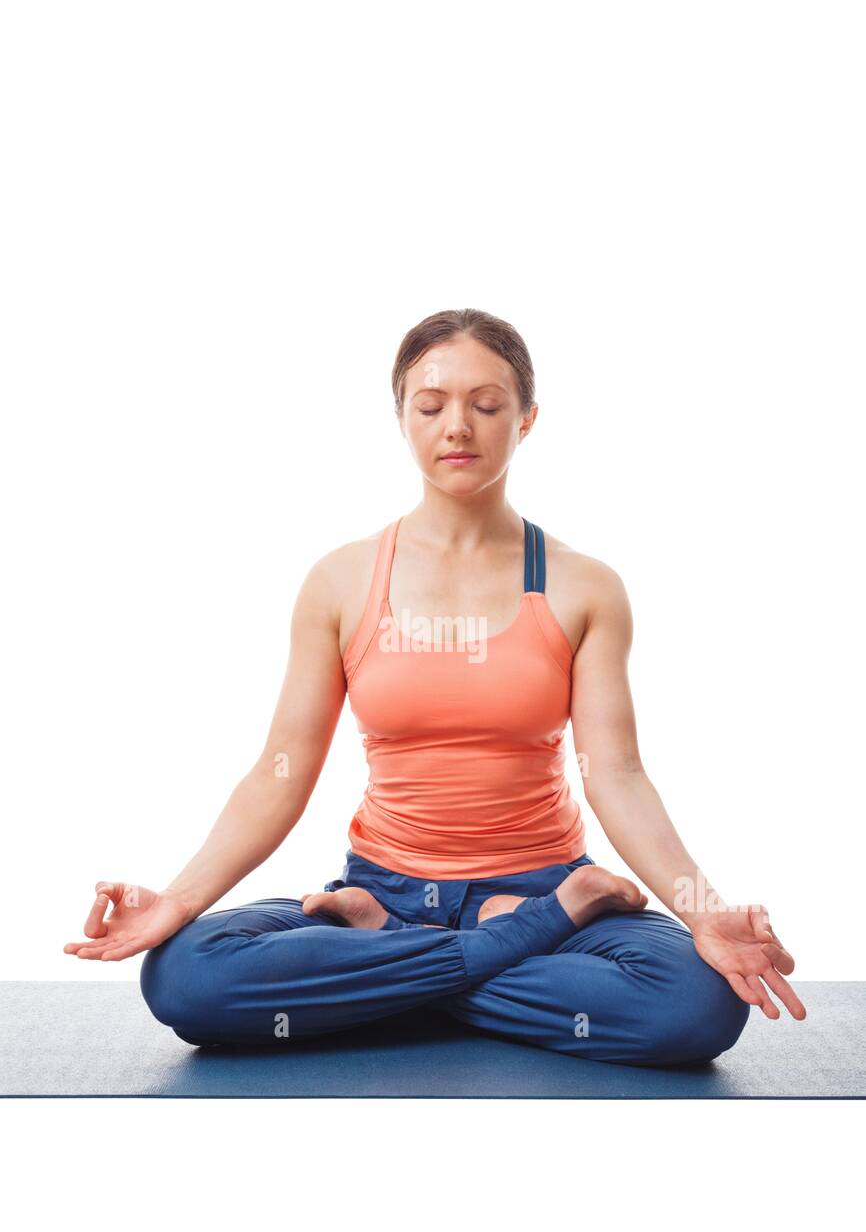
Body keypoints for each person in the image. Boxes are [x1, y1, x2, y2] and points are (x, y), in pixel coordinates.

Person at [64, 307, 806, 1064]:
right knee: (186, 978)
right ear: (402, 418)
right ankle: (479, 940)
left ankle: (388, 964)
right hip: (388, 888)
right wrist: (179, 901)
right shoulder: (340, 582)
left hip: (543, 881)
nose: (458, 426)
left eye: (486, 405)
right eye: (431, 405)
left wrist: (705, 912)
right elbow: (278, 771)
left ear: (527, 420)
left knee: (697, 1003)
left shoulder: (586, 589)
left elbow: (615, 774)